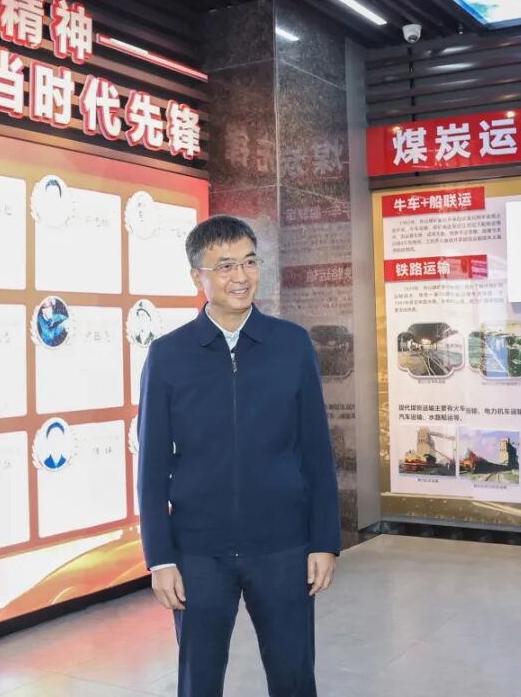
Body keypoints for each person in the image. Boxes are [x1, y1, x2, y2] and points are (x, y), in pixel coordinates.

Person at [138, 215, 340, 697]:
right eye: (225, 266)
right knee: (199, 682)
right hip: (198, 552)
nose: (241, 277)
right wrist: (159, 558)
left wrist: (324, 541)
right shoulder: (168, 355)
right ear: (198, 277)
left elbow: (316, 450)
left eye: (250, 262)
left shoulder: (291, 344)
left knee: (294, 677)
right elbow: (151, 466)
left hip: (283, 546)